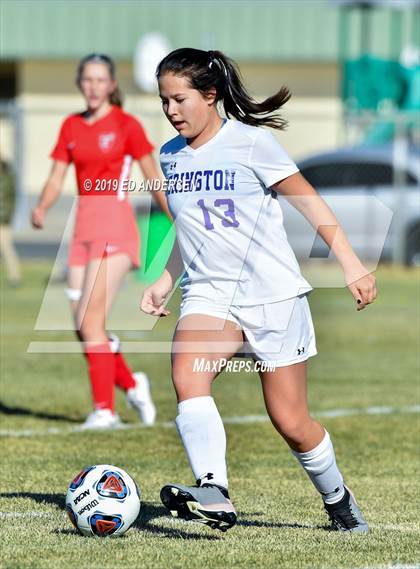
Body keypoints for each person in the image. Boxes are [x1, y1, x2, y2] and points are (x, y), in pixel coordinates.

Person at [141, 48, 377, 533]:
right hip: (209, 295)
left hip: (272, 296)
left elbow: (310, 203)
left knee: (291, 421)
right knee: (188, 376)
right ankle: (214, 490)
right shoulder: (169, 157)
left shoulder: (251, 144)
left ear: (210, 95)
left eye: (180, 99)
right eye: (164, 101)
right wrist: (165, 280)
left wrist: (351, 263)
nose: (171, 111)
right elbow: (190, 231)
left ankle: (338, 500)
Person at [32, 53, 169, 429]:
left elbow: (153, 176)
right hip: (82, 234)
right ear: (80, 83)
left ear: (111, 85)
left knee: (92, 322)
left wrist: (175, 218)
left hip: (116, 229)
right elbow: (57, 176)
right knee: (83, 326)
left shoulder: (127, 125)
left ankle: (105, 411)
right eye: (87, 80)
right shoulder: (71, 126)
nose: (93, 87)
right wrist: (42, 207)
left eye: (100, 80)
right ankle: (131, 382)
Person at [0, 156, 21, 287]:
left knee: (7, 249)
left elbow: (10, 200)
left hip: (3, 220)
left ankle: (15, 277)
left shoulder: (8, 177)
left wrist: (5, 217)